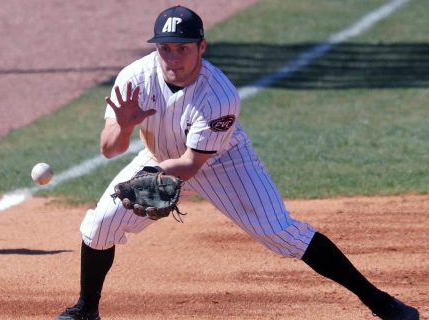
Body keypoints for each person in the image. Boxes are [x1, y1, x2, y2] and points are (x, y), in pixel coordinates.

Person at [55, 5, 419, 320]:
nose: (173, 58)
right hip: (159, 156)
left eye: (183, 48)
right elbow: (109, 149)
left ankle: (381, 302)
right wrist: (125, 125)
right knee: (100, 226)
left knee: (281, 233)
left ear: (202, 47)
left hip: (223, 162)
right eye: (165, 49)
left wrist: (153, 175)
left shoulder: (219, 95)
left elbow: (192, 165)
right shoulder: (134, 79)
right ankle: (86, 308)